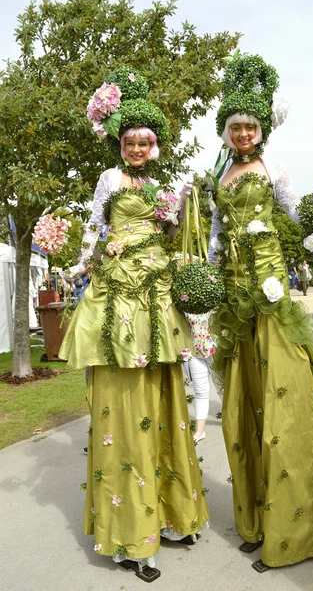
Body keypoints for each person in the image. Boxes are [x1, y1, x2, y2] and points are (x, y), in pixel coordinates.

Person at [59, 67, 208, 582]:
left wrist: (185, 204)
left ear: (155, 146)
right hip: (120, 288)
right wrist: (84, 262)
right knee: (127, 393)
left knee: (166, 391)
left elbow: (170, 230)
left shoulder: (158, 186)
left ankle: (169, 517)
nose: (138, 148)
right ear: (120, 143)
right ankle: (128, 535)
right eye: (131, 141)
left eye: (146, 141)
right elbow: (96, 225)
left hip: (156, 288)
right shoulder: (109, 179)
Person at [207, 53, 313, 573]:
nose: (243, 134)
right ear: (226, 132)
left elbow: (294, 212)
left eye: (250, 126)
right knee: (246, 410)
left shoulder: (272, 168)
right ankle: (260, 521)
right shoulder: (222, 173)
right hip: (234, 297)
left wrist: (310, 237)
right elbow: (218, 232)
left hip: (269, 294)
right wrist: (210, 260)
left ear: (260, 130)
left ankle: (293, 532)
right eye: (235, 126)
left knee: (283, 406)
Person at [185, 313, 216, 441]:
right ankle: (200, 431)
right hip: (193, 351)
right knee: (200, 391)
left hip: (215, 349)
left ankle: (235, 422)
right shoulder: (183, 298)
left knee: (223, 388)